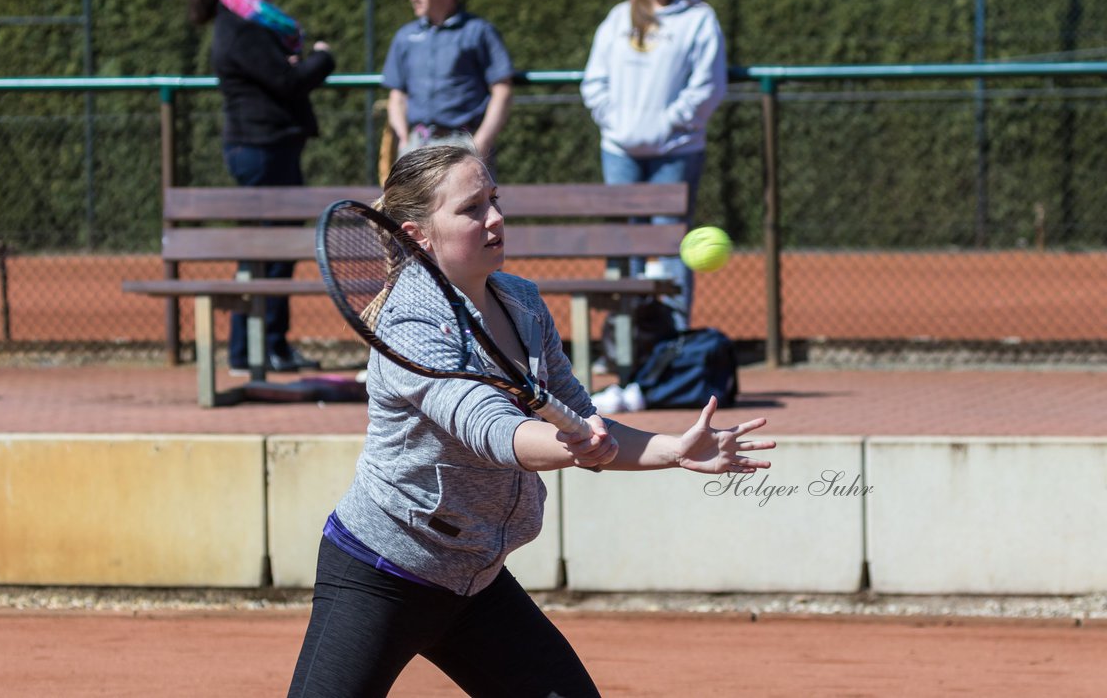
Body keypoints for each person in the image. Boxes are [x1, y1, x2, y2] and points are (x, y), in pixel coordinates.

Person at [287, 145, 774, 697]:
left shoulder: (521, 302)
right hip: (383, 572)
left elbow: (582, 416)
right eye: (471, 209)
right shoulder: (408, 321)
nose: (495, 218)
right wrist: (573, 445)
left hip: (477, 581)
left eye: (494, 200)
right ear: (418, 234)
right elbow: (489, 426)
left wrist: (674, 450)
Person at [188, 0, 335, 373]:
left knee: (274, 251)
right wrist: (323, 59)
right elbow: (287, 81)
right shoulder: (241, 27)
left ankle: (269, 345)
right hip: (262, 149)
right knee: (266, 251)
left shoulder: (247, 24)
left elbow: (276, 74)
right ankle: (254, 349)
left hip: (269, 147)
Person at [580, 0, 727, 329]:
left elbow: (708, 86)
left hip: (676, 152)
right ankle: (625, 340)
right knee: (624, 246)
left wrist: (668, 123)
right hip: (620, 152)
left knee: (671, 248)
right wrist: (618, 122)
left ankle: (674, 342)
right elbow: (594, 82)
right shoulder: (617, 18)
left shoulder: (700, 19)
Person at [381, 0, 514, 166]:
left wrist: (480, 143)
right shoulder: (405, 36)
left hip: (463, 146)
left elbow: (502, 91)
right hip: (416, 146)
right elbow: (397, 96)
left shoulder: (478, 32)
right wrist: (405, 140)